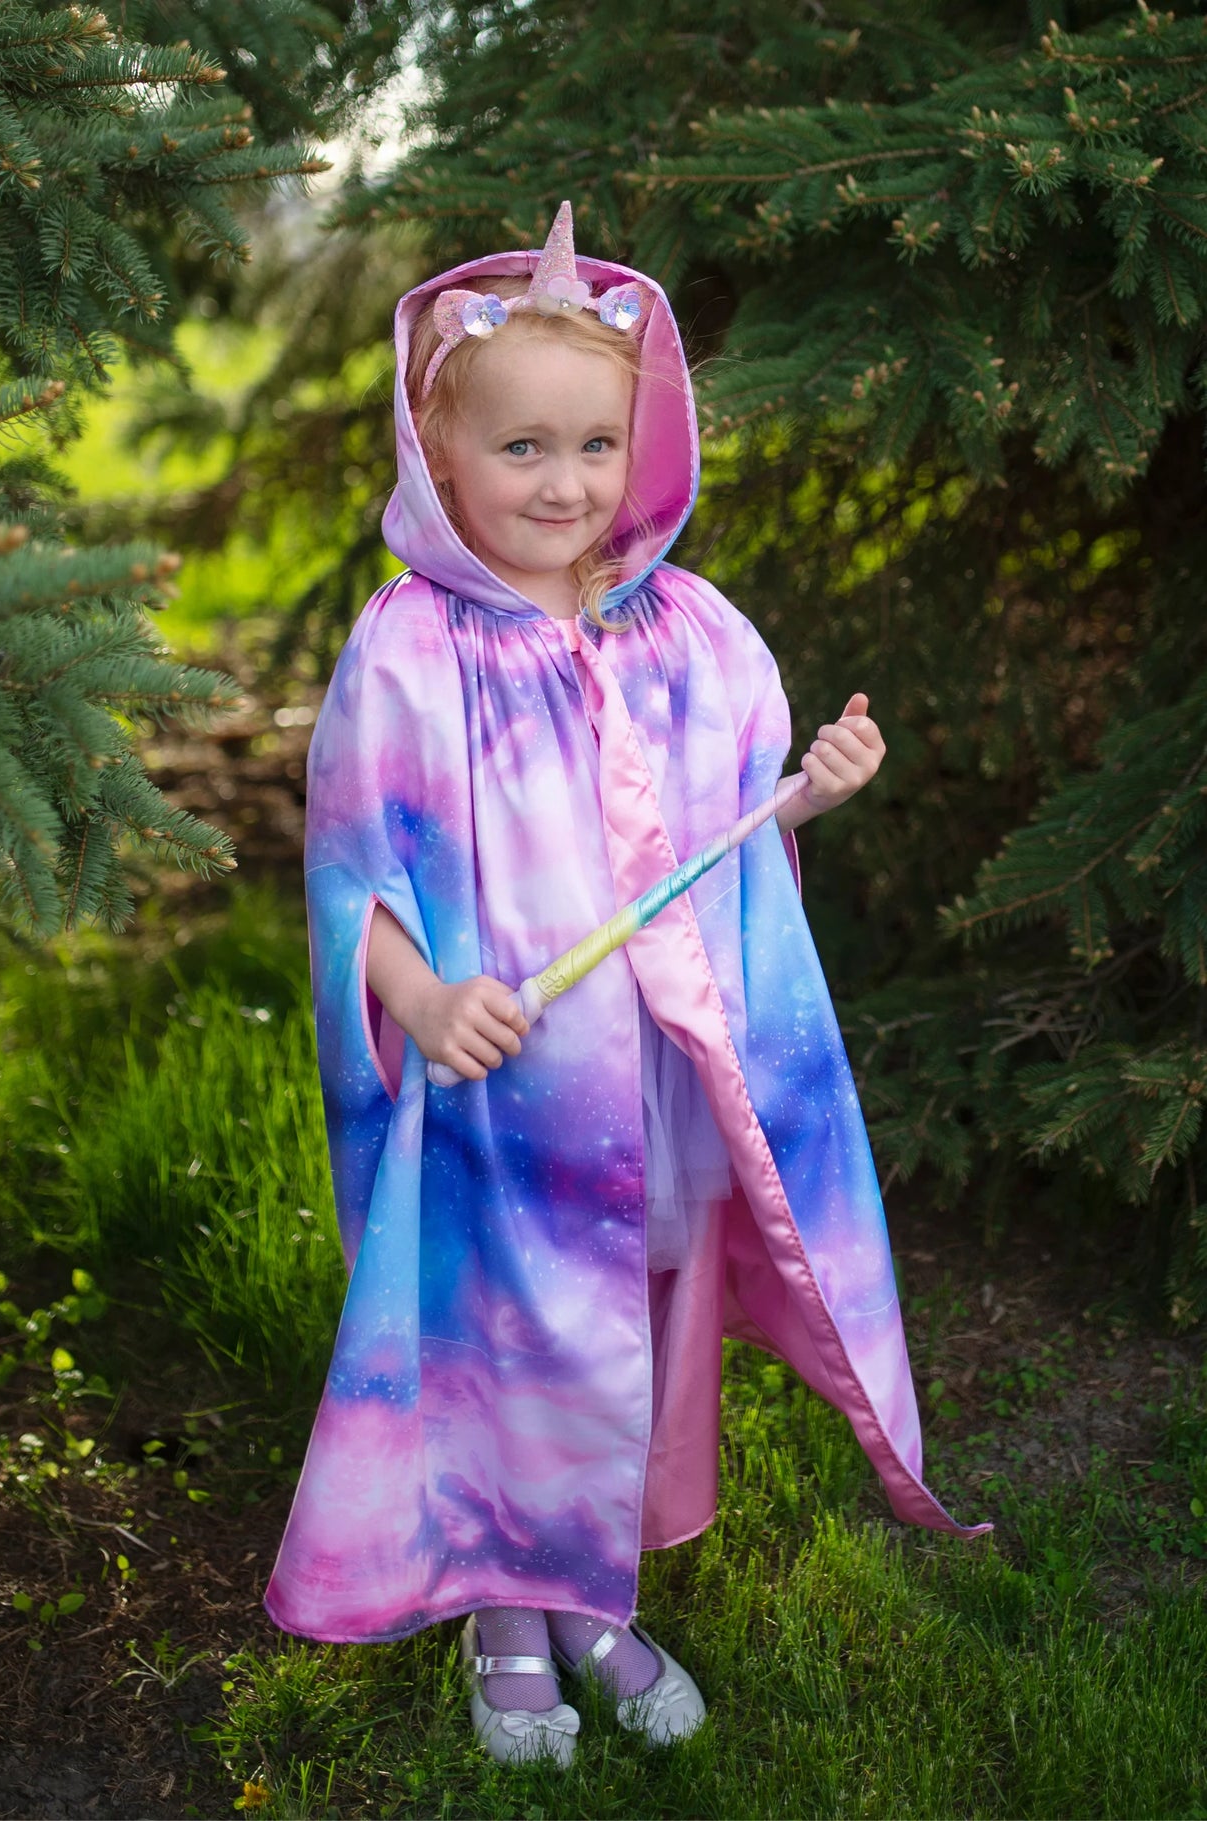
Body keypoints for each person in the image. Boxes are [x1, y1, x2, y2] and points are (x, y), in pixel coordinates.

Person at [265, 202, 989, 1767]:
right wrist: (419, 989)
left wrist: (805, 794)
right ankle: (501, 1607)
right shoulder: (407, 651)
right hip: (498, 1084)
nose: (563, 483)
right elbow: (347, 880)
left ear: (639, 447)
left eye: (594, 446)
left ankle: (592, 1592)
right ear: (437, 454)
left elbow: (718, 828)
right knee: (507, 1320)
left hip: (642, 1075)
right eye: (520, 448)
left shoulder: (691, 628)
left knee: (628, 1310)